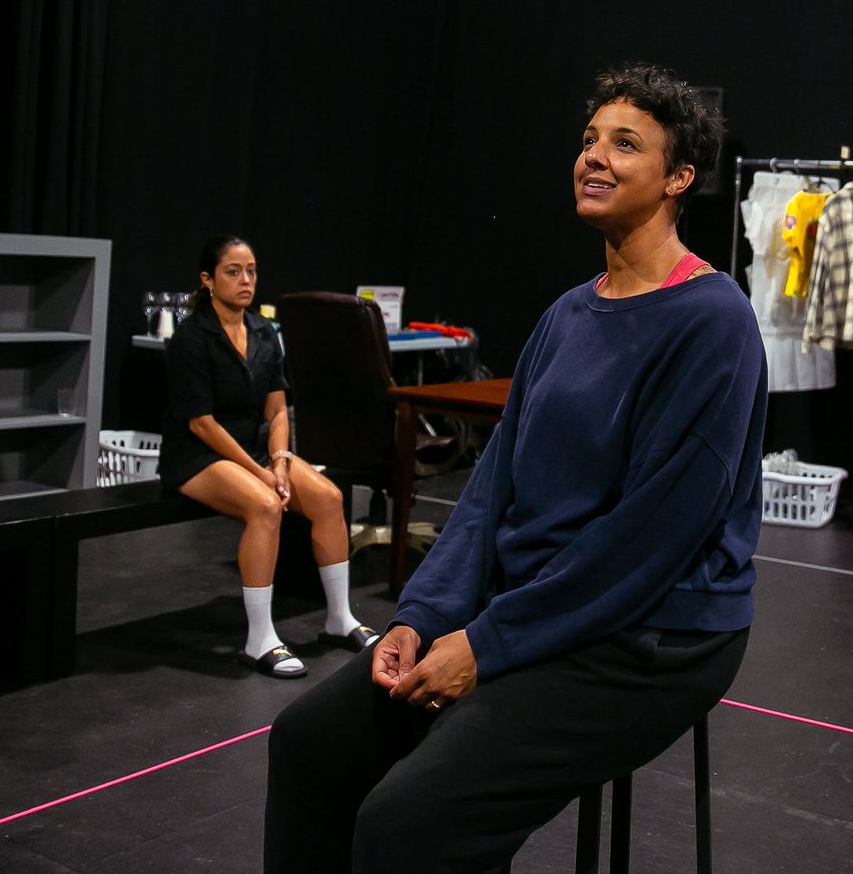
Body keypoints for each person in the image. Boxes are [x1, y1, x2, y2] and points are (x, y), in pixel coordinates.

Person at [263, 65, 767, 873]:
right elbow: (492, 485)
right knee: (306, 745)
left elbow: (648, 542)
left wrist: (489, 644)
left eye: (624, 144)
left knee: (411, 825)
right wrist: (419, 615)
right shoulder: (568, 313)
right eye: (588, 140)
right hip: (536, 609)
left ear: (678, 178)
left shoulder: (713, 322)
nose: (594, 157)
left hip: (649, 634)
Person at [160, 236, 380, 678]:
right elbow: (201, 424)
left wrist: (279, 459)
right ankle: (259, 639)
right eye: (233, 271)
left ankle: (339, 620)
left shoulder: (263, 331)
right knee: (264, 507)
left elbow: (277, 407)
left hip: (259, 451)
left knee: (328, 498)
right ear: (207, 280)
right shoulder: (191, 338)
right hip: (198, 455)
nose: (246, 280)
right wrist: (260, 473)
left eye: (252, 271)